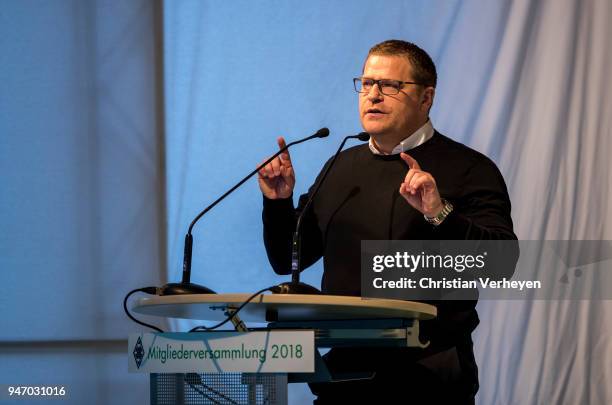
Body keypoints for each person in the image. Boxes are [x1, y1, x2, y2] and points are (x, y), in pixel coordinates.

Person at [258, 40, 516, 404]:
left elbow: (501, 264)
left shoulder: (470, 169)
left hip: (428, 380)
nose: (373, 95)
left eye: (391, 85)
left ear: (426, 98)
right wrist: (278, 204)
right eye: (366, 83)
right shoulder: (340, 167)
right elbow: (288, 259)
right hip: (343, 380)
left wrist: (439, 212)